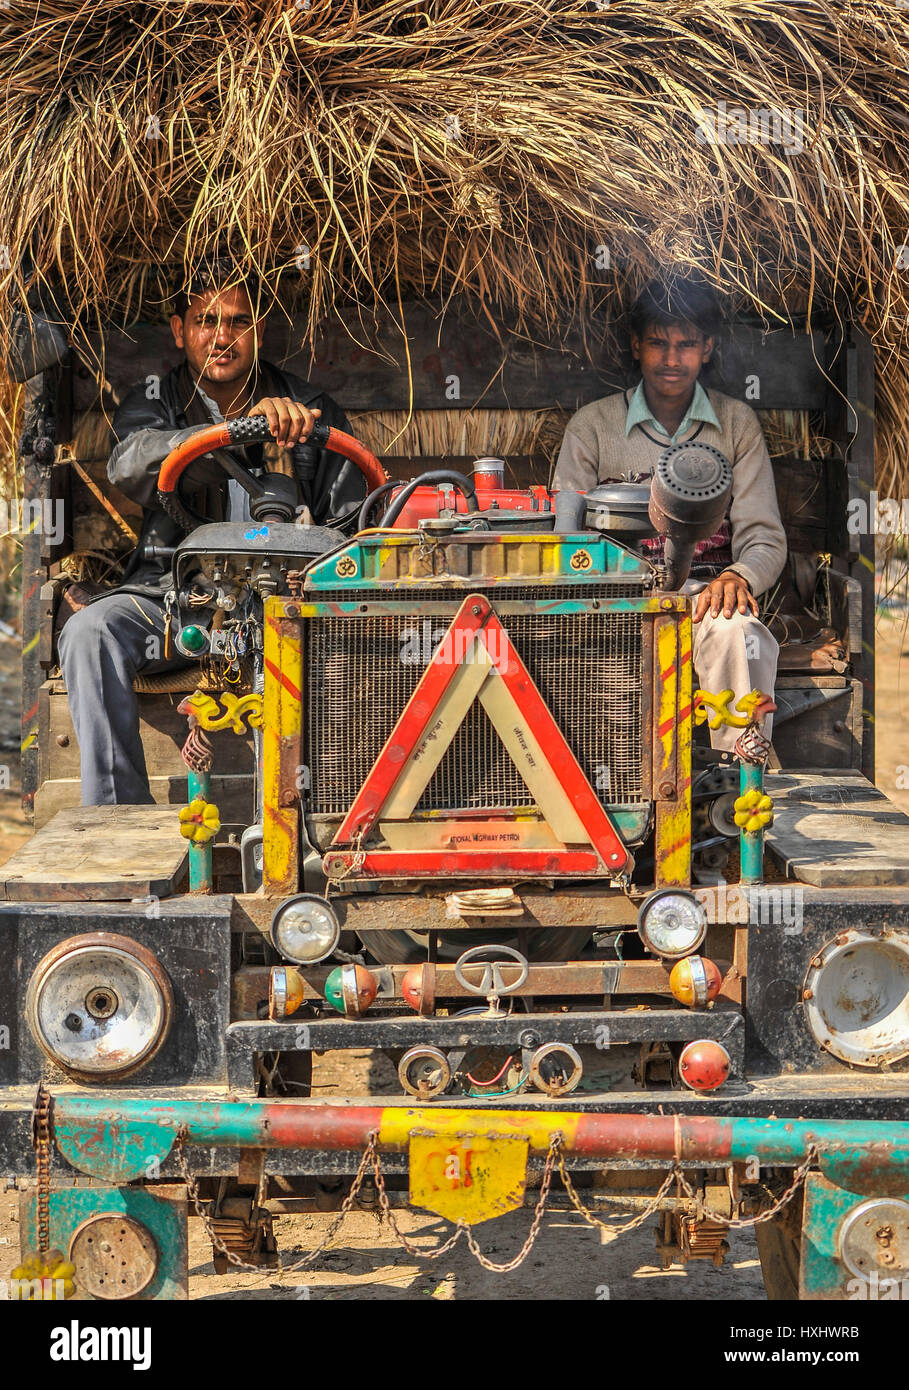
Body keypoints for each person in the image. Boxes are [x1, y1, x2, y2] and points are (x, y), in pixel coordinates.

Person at [59, 258, 365, 804]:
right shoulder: (153, 404)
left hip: (289, 606)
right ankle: (113, 821)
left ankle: (338, 821)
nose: (222, 336)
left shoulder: (312, 410)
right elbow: (130, 463)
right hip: (175, 601)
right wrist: (229, 435)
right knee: (90, 634)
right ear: (179, 330)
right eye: (206, 320)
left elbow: (352, 523)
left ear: (260, 330)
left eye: (238, 321)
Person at [554, 276, 787, 752]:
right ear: (637, 346)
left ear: (707, 348)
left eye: (686, 345)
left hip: (705, 598)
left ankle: (739, 785)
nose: (672, 359)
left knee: (739, 634)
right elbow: (565, 530)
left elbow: (765, 536)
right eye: (658, 344)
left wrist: (738, 576)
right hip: (615, 601)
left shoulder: (736, 423)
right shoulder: (594, 426)